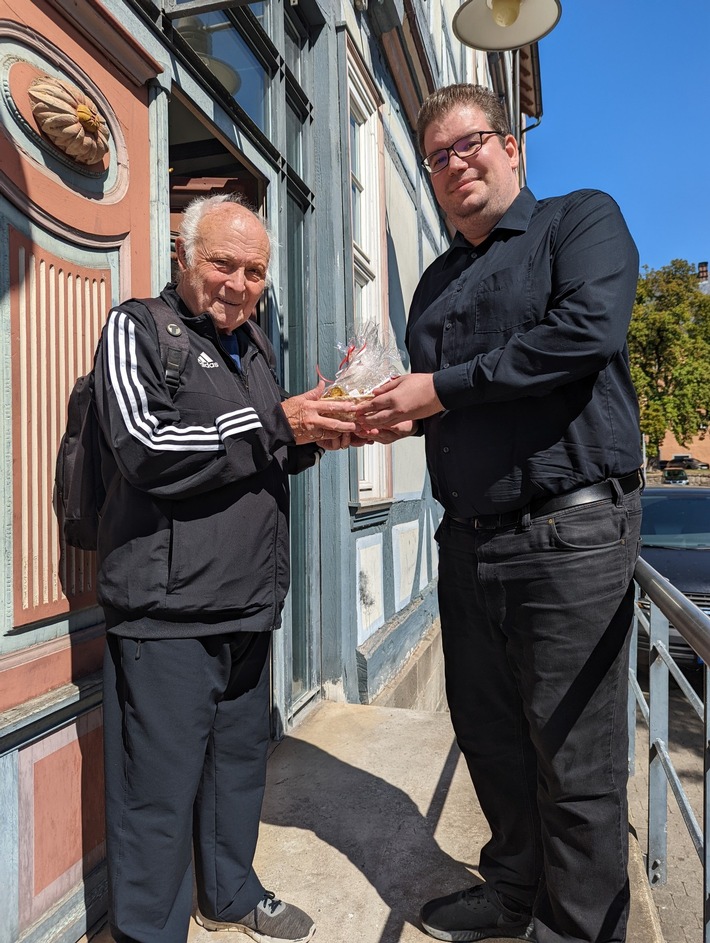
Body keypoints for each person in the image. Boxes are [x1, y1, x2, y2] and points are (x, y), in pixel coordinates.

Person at [356, 84, 643, 943]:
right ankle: (514, 891)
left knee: (575, 765)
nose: (454, 165)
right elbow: (431, 403)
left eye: (469, 144)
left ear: (511, 147)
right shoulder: (436, 283)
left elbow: (586, 331)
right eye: (437, 157)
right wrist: (369, 411)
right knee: (491, 738)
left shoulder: (578, 221)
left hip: (571, 536)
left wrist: (437, 388)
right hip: (468, 542)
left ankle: (579, 929)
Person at [95, 193, 357, 943]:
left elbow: (254, 453)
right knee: (157, 793)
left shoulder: (257, 346)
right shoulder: (137, 328)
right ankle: (150, 931)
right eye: (223, 263)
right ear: (183, 254)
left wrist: (320, 432)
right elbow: (144, 445)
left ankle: (232, 893)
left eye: (255, 271)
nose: (240, 284)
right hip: (167, 615)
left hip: (248, 606)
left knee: (238, 768)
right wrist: (281, 423)